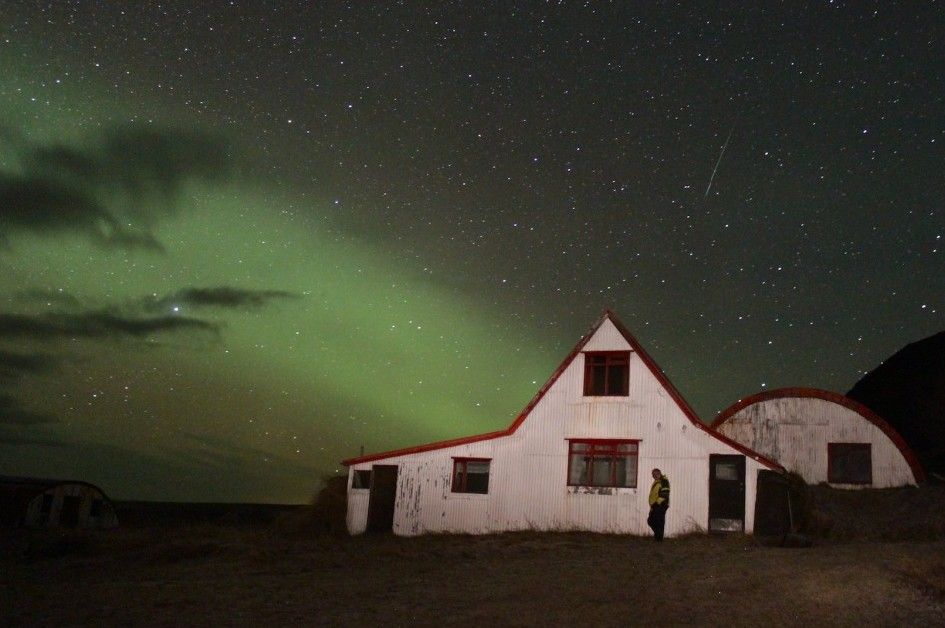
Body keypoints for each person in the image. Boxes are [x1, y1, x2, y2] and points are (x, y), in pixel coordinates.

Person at [647, 468, 670, 541]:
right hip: (656, 505)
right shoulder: (657, 481)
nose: (653, 476)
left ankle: (659, 538)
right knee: (654, 521)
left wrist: (656, 504)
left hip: (661, 505)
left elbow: (665, 494)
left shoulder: (664, 481)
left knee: (655, 521)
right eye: (652, 475)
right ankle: (658, 537)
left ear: (658, 473)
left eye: (654, 474)